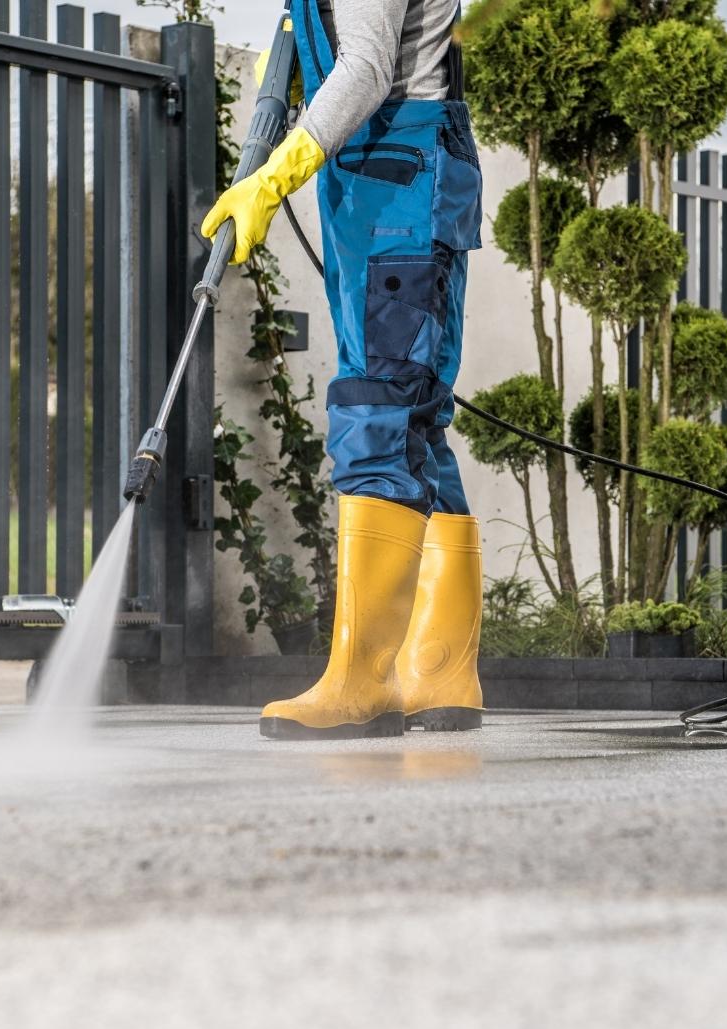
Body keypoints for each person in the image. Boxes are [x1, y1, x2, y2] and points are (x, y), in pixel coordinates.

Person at [202, 0, 484, 740]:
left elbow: (363, 69)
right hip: (394, 182)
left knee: (375, 410)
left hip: (396, 187)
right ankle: (441, 670)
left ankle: (363, 680)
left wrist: (276, 173)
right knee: (418, 422)